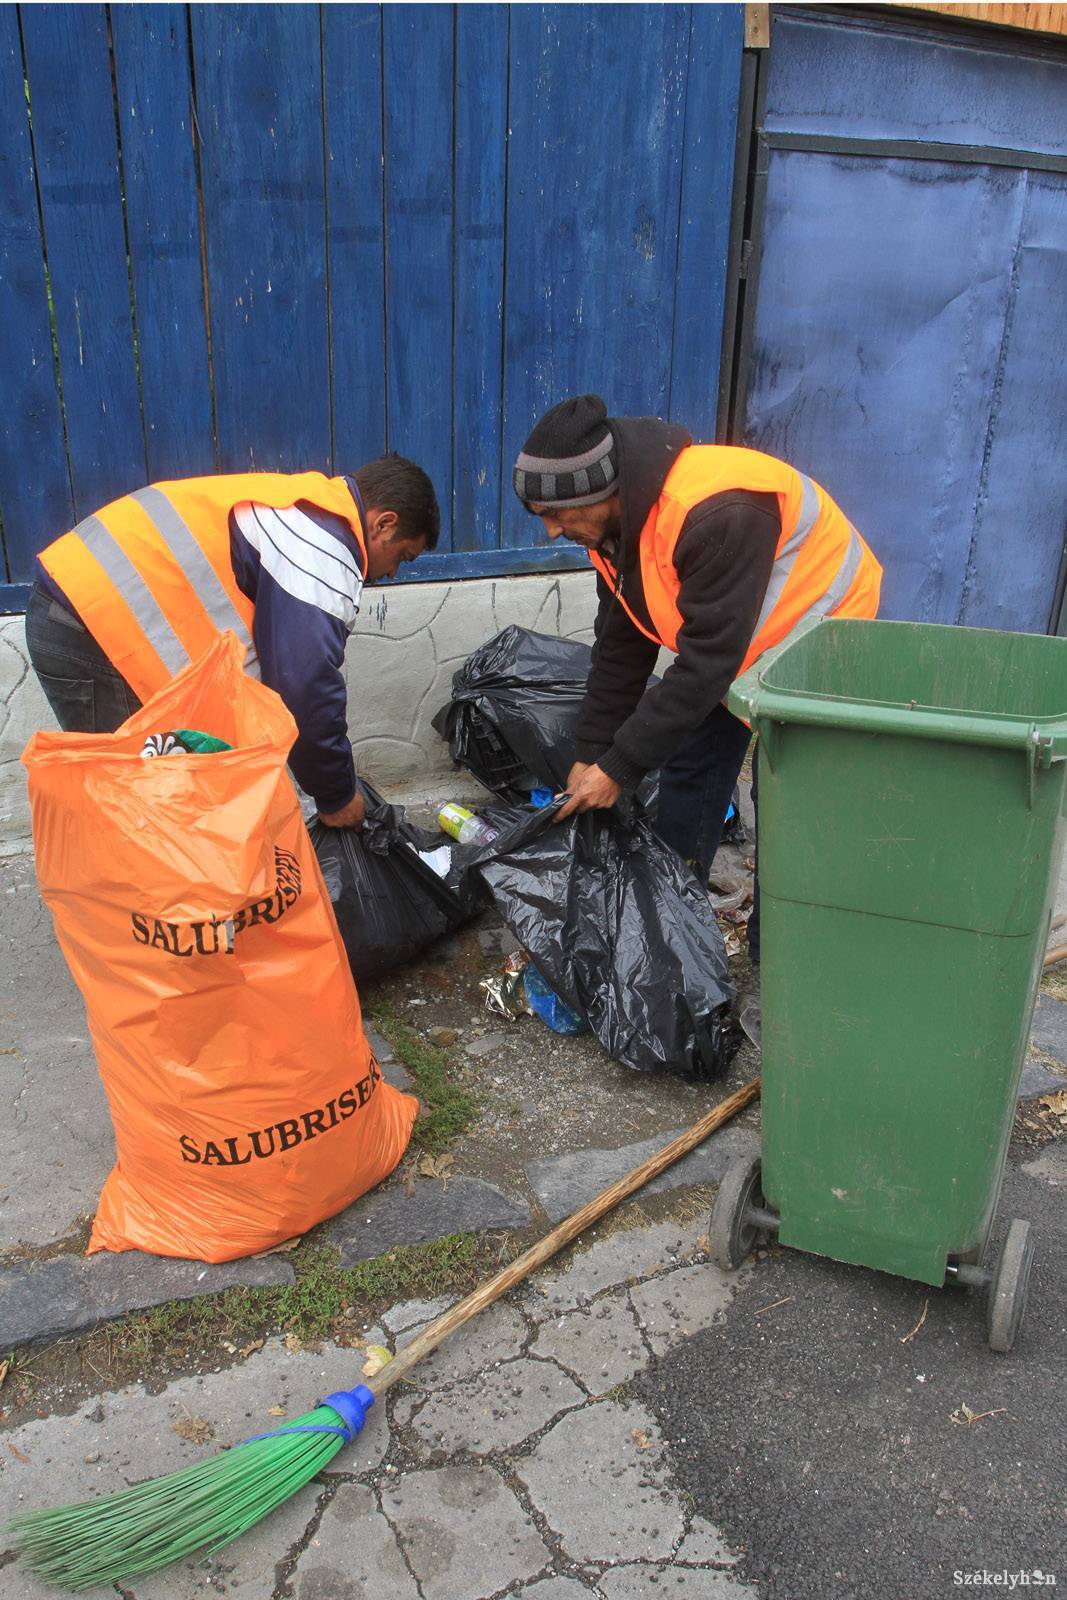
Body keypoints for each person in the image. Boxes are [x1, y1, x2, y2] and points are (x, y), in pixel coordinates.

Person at [512, 394, 882, 961]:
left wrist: (621, 767)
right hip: (738, 638)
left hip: (822, 631)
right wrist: (591, 752)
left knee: (787, 790)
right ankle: (670, 920)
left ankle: (777, 957)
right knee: (691, 764)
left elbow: (707, 662)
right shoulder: (613, 530)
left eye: (556, 515)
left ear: (595, 492)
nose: (552, 532)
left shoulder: (714, 509)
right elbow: (622, 643)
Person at [26, 454, 439, 829]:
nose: (392, 573)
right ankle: (147, 910)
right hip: (87, 624)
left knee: (153, 796)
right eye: (403, 556)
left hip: (82, 608)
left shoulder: (302, 508)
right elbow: (305, 687)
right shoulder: (324, 547)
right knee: (140, 806)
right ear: (383, 523)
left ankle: (174, 905)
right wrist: (336, 796)